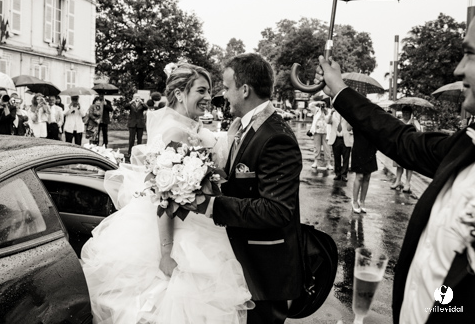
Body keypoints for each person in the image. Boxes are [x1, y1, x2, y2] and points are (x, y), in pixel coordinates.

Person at [316, 21, 475, 324]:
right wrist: (339, 89)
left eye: (470, 54)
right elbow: (400, 139)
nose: (458, 69)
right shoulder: (466, 146)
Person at [81, 63, 253, 323]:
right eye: (201, 90)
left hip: (197, 223)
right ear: (180, 94)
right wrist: (166, 254)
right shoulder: (175, 132)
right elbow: (164, 197)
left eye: (209, 91)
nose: (208, 97)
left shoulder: (190, 126)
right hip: (178, 235)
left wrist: (228, 140)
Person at [191, 53, 304, 324]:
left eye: (227, 87)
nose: (223, 94)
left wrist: (212, 205)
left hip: (264, 271)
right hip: (243, 262)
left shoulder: (276, 137)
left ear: (244, 90)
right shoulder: (245, 127)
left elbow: (276, 210)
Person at [390, 106, 422, 192]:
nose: (405, 114)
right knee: (399, 165)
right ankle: (398, 181)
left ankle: (407, 183)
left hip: (410, 146)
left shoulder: (415, 122)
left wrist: (413, 123)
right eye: (404, 113)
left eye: (407, 113)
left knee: (409, 165)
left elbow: (419, 132)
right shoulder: (400, 121)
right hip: (400, 145)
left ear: (411, 114)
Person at [350, 127, 377, 214]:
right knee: (360, 176)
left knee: (367, 176)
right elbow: (348, 128)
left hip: (370, 147)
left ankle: (362, 201)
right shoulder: (357, 118)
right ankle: (354, 201)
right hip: (359, 147)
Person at [327, 109, 353, 181]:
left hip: (346, 138)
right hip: (336, 139)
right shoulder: (333, 113)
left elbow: (351, 126)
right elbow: (328, 122)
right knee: (336, 157)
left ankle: (344, 174)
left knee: (346, 158)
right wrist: (330, 114)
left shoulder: (348, 113)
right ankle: (337, 174)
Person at [308, 102, 334, 170]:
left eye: (324, 104)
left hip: (326, 132)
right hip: (317, 131)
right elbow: (310, 105)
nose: (323, 105)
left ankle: (328, 163)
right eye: (322, 104)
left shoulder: (328, 111)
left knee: (327, 148)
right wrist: (318, 102)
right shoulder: (316, 110)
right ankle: (315, 162)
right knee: (317, 148)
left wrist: (328, 112)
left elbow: (330, 120)